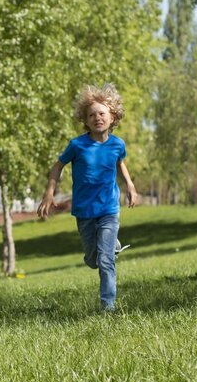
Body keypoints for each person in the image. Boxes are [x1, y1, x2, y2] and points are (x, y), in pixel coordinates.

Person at [36, 83, 139, 313]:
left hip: (109, 210)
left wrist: (130, 185)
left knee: (105, 261)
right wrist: (49, 193)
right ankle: (111, 247)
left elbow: (120, 163)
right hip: (84, 212)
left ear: (112, 116)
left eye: (102, 113)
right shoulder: (77, 145)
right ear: (85, 120)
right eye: (91, 115)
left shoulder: (117, 144)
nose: (97, 118)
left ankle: (108, 307)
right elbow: (57, 166)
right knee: (93, 260)